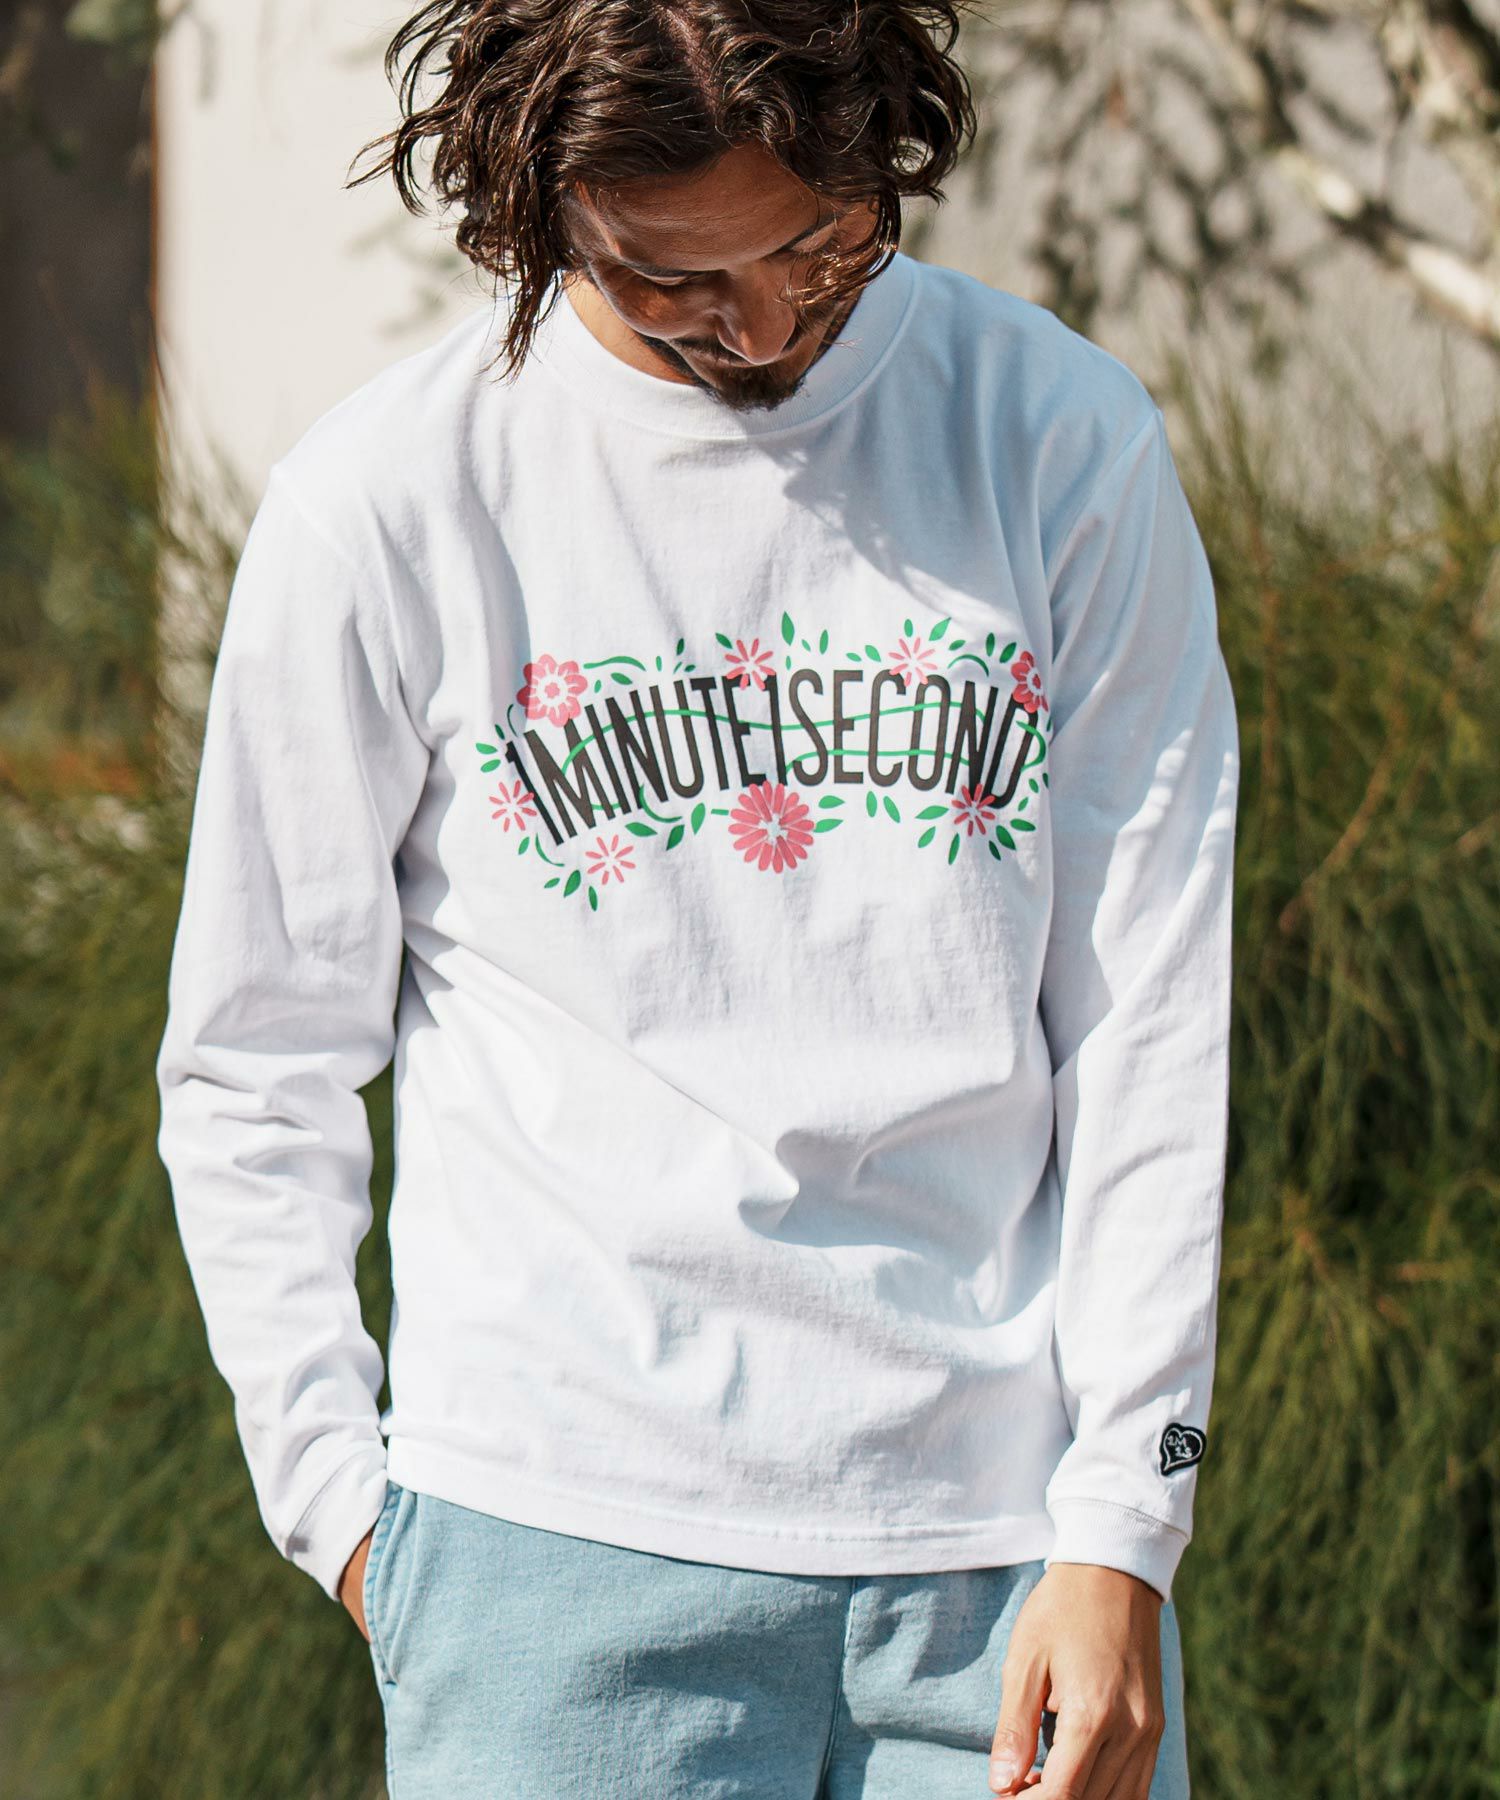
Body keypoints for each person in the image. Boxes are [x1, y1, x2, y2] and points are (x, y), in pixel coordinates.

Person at [154, 2, 1240, 1795]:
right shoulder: (389, 502)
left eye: (819, 248)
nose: (763, 328)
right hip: (552, 1564)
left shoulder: (1057, 440)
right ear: (540, 211)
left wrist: (1130, 1516)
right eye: (673, 280)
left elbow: (1152, 1019)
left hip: (1002, 1569)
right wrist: (351, 1517)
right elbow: (254, 1061)